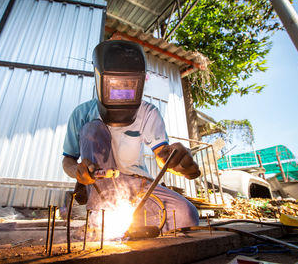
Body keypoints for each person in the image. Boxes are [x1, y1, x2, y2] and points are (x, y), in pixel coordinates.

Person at [62, 40, 201, 232]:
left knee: (186, 215)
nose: (122, 92)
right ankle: (99, 214)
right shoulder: (82, 113)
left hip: (138, 185)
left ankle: (133, 225)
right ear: (99, 79)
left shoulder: (148, 112)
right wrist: (77, 171)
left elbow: (162, 156)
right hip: (101, 186)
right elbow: (68, 160)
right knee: (92, 130)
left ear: (141, 82)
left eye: (129, 85)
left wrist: (178, 161)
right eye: (115, 85)